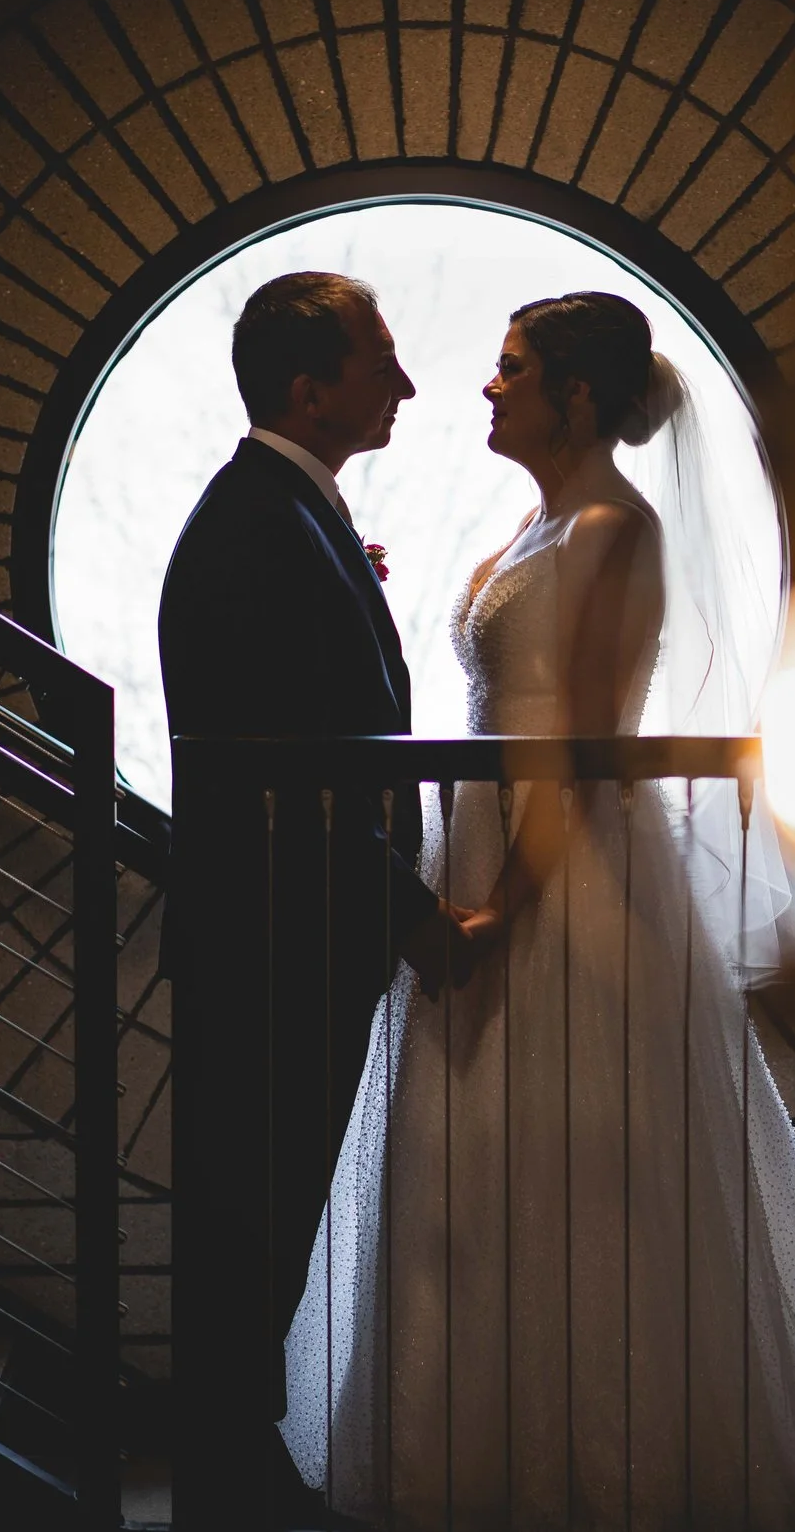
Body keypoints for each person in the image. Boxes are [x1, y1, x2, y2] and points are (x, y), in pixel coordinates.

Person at [280, 291, 795, 1527]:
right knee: (472, 1159)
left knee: (585, 1161)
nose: (488, 386)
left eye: (512, 368)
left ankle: (614, 1458)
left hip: (569, 885)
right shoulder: (537, 521)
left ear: (575, 395)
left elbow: (590, 750)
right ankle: (469, 1439)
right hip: (477, 844)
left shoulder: (618, 529)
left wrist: (502, 906)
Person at [156, 270, 484, 1525]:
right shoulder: (260, 527)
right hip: (278, 940)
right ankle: (233, 1483)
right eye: (378, 358)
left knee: (267, 1216)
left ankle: (241, 1470)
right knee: (253, 1219)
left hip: (284, 932)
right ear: (308, 388)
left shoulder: (285, 514)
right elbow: (300, 763)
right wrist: (409, 913)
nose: (405, 382)